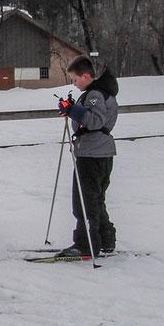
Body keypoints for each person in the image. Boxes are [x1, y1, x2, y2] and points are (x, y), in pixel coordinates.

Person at [56, 56, 118, 257]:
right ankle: (105, 239)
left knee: (84, 199)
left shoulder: (95, 95)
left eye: (75, 80)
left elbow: (95, 121)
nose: (74, 84)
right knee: (96, 198)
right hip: (98, 151)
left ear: (85, 76)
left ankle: (85, 243)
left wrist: (74, 110)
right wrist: (73, 110)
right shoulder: (98, 93)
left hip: (93, 153)